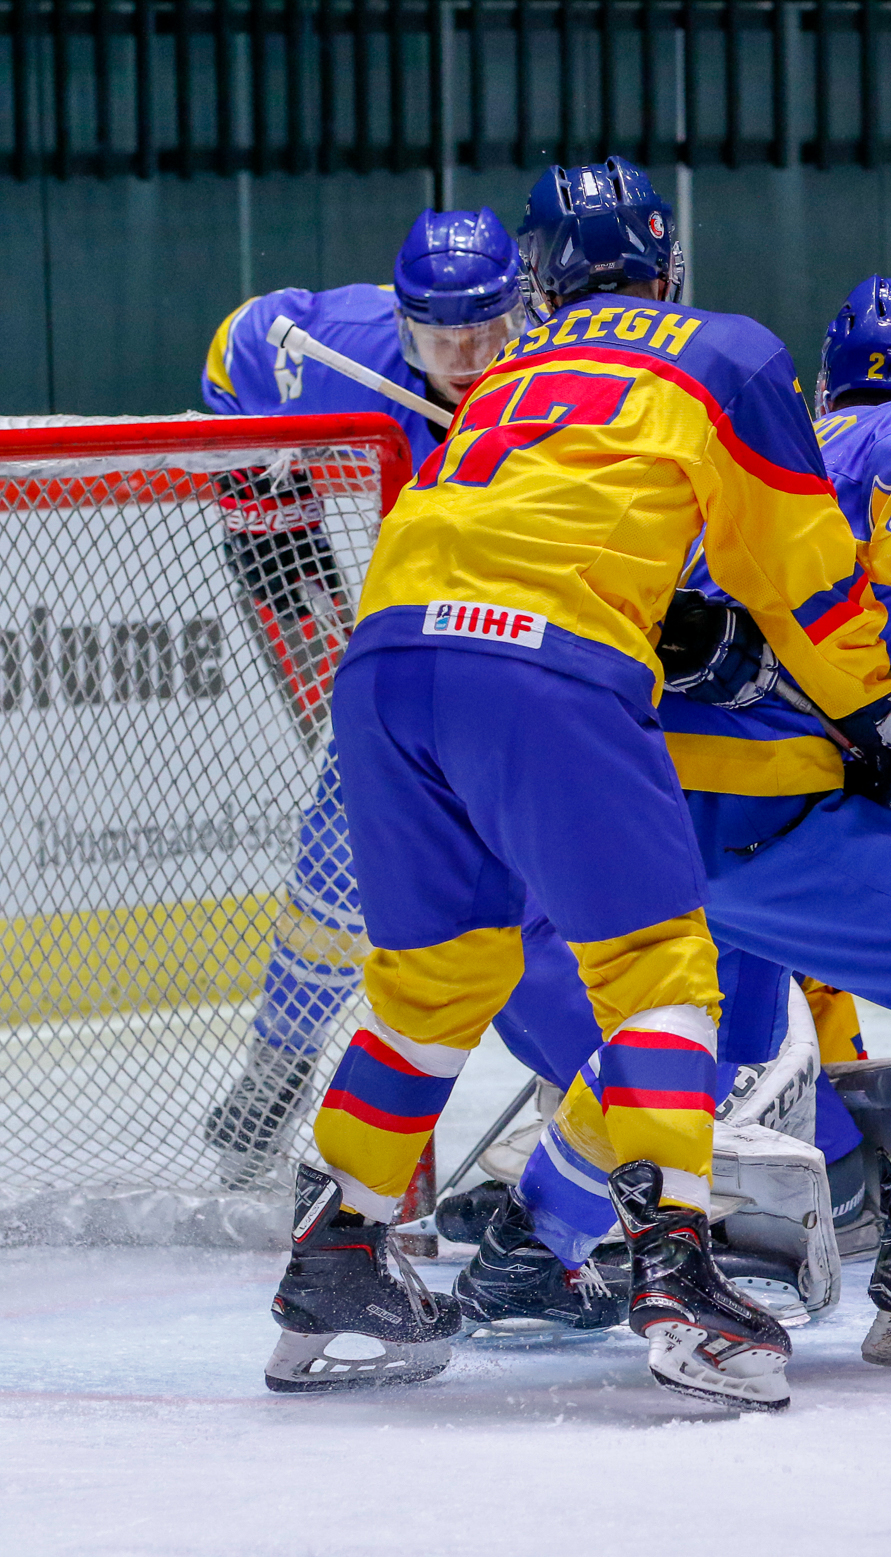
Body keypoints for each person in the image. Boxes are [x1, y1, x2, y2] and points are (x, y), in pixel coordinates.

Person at [262, 156, 891, 1411]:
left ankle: (336, 1255)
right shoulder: (725, 350)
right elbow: (804, 569)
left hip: (388, 661)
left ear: (542, 284)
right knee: (662, 971)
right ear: (668, 265)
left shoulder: (509, 371)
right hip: (539, 668)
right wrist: (878, 709)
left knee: (436, 980)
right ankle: (675, 1265)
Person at [486, 274, 891, 1367]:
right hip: (752, 809)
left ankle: (533, 1243)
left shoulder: (774, 444)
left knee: (678, 1054)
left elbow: (861, 716)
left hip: (634, 794)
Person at [197, 209, 528, 1190]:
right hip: (420, 659)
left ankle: (597, 1103)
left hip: (553, 659)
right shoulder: (339, 347)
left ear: (526, 310)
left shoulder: (572, 374)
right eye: (438, 339)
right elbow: (236, 349)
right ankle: (276, 1073)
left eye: (485, 333)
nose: (465, 358)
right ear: (402, 322)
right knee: (335, 869)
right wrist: (270, 509)